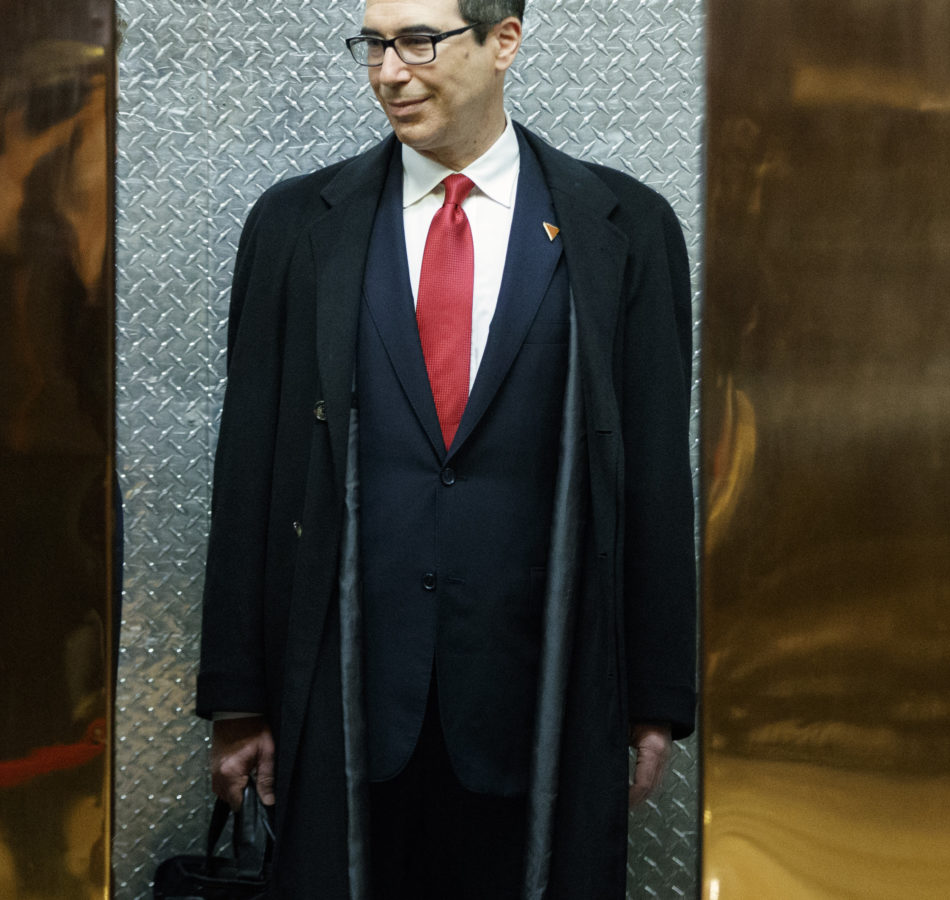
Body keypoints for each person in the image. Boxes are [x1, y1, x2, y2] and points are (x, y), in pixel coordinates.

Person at [197, 1, 696, 897]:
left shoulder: (624, 230)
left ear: (504, 40)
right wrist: (237, 699)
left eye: (418, 41)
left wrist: (656, 696)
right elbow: (248, 467)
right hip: (341, 692)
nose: (389, 71)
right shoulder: (296, 227)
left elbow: (656, 475)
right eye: (374, 44)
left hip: (542, 694)